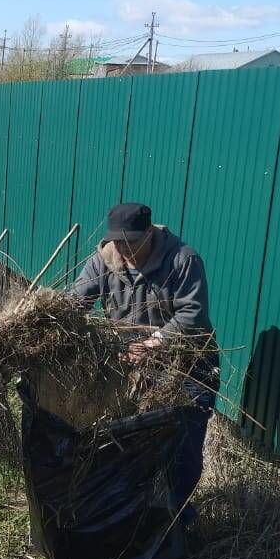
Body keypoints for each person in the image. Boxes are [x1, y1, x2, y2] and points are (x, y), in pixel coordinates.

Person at [68, 202, 218, 521]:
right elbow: (74, 305)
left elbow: (192, 314)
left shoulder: (182, 259)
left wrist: (153, 343)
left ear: (149, 233)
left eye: (131, 242)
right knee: (135, 446)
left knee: (182, 452)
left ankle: (175, 529)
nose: (124, 250)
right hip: (138, 369)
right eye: (117, 242)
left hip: (190, 367)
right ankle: (139, 522)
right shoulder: (104, 261)